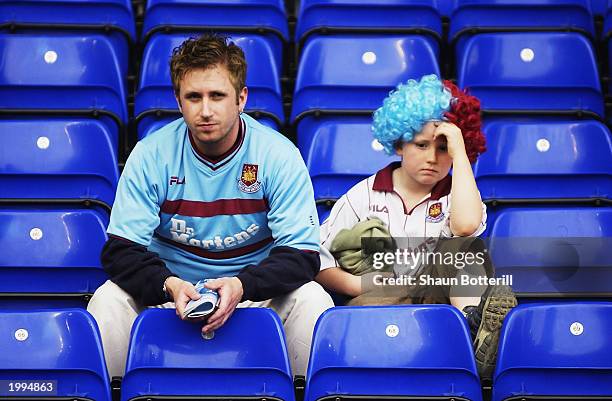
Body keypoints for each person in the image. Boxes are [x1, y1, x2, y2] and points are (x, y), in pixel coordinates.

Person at [87, 33, 334, 379]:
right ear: (178, 100)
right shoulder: (150, 154)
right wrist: (169, 285)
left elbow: (301, 256)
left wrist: (241, 285)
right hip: (172, 292)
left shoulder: (278, 155)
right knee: (107, 300)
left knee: (313, 299)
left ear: (241, 98)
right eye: (193, 97)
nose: (205, 110)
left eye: (217, 96)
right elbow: (120, 252)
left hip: (250, 291)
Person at [316, 74, 516, 378]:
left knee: (462, 248)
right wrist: (357, 284)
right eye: (421, 145)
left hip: (442, 297)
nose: (432, 158)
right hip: (381, 297)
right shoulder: (363, 194)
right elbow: (317, 260)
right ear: (399, 144)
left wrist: (460, 154)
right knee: (372, 303)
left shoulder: (458, 192)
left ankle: (475, 332)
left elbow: (465, 226)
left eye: (443, 149)